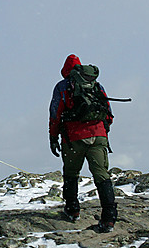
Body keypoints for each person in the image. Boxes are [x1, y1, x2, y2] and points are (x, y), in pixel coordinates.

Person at [49, 54, 117, 232]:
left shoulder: (62, 86)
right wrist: (103, 131)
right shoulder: (96, 84)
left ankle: (72, 210)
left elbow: (55, 114)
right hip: (98, 135)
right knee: (101, 175)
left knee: (71, 173)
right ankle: (109, 218)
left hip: (73, 138)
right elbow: (107, 111)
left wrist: (53, 137)